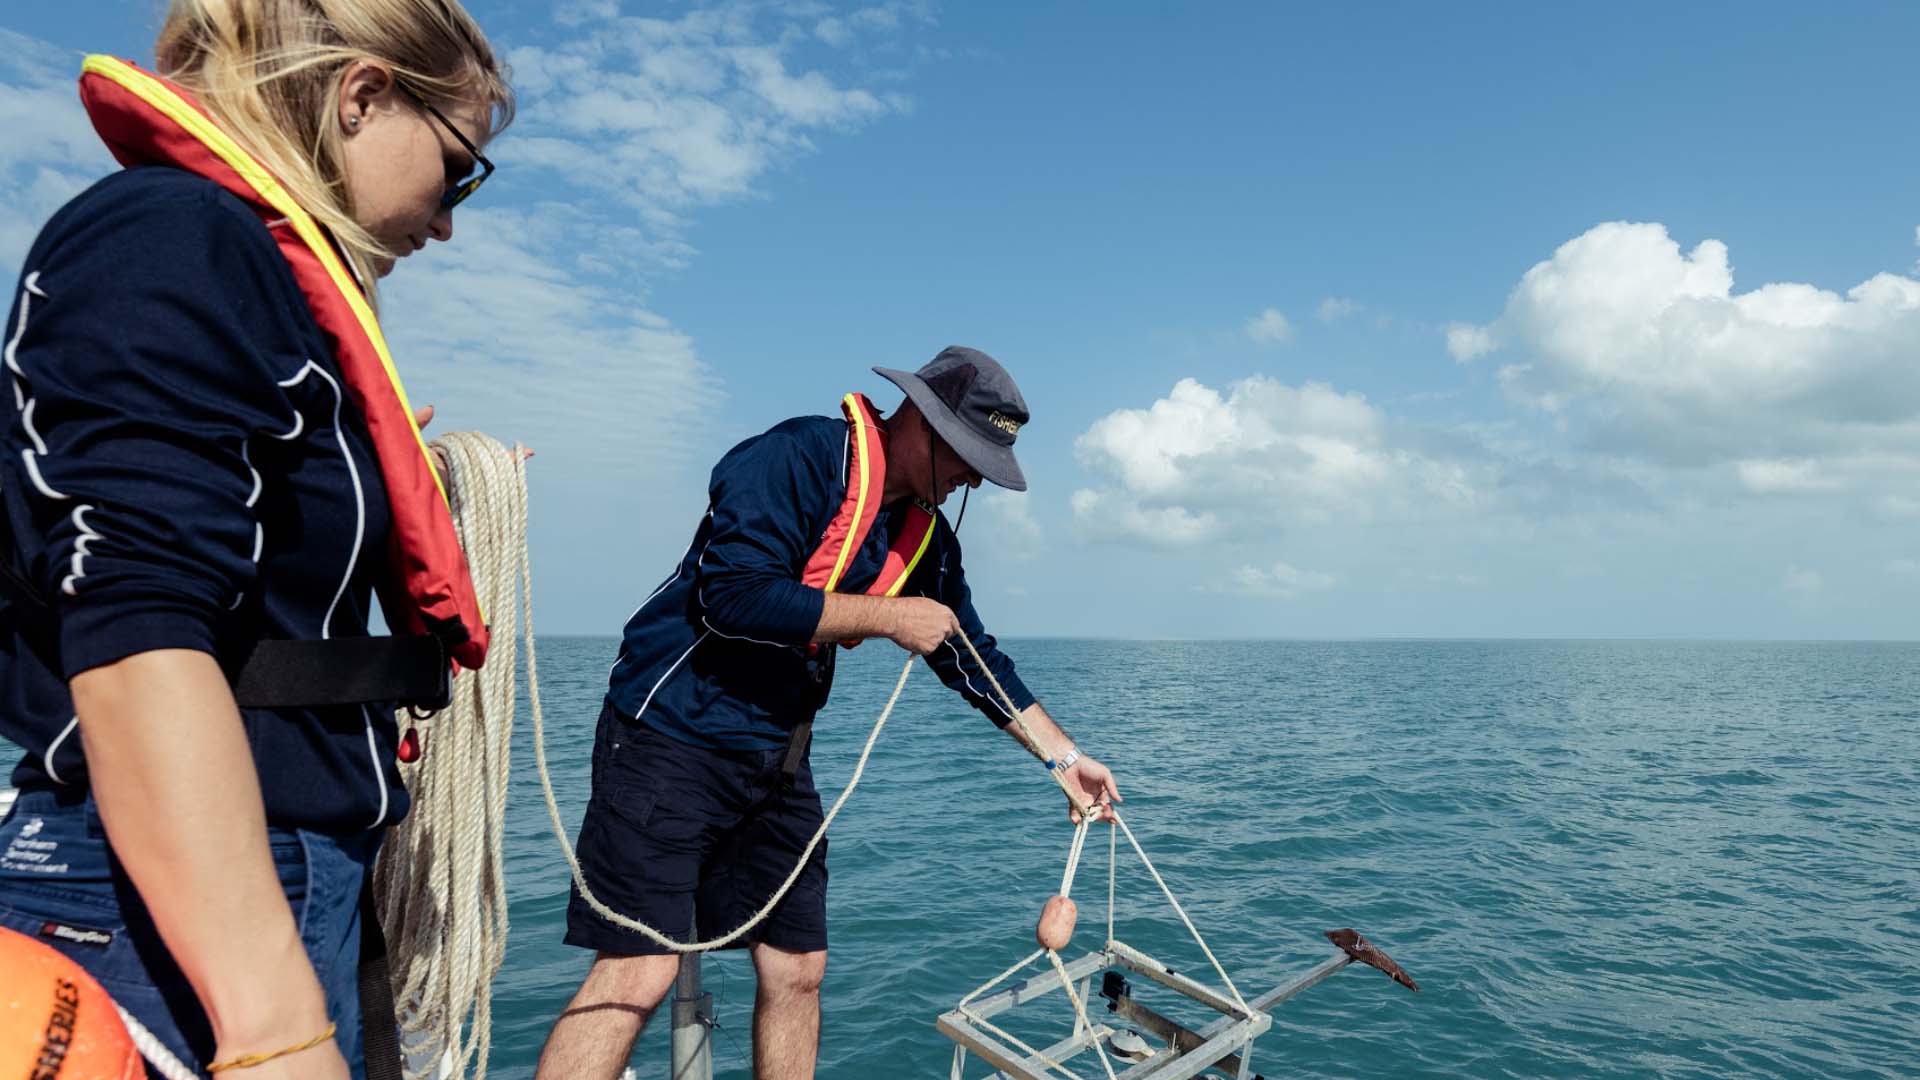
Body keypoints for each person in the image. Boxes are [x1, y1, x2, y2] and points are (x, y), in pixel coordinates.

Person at [0, 2, 513, 1077]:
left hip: (271, 879)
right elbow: (134, 632)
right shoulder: (169, 235)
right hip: (172, 915)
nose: (450, 218)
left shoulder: (243, 276)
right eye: (460, 168)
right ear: (363, 95)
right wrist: (272, 1031)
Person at [537, 346, 1124, 1079]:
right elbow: (733, 596)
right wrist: (887, 617)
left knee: (799, 967)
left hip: (777, 760)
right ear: (922, 421)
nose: (975, 476)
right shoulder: (798, 457)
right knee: (639, 972)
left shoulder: (927, 540)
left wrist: (1064, 761)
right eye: (970, 455)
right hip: (670, 741)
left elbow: (970, 654)